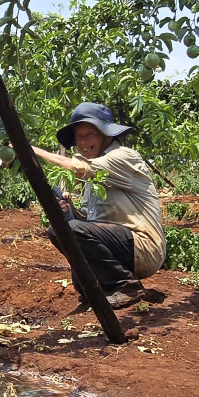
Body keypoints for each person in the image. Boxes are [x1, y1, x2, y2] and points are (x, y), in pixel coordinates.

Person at [30, 102, 165, 309]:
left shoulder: (123, 156)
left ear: (107, 135)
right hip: (119, 245)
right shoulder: (94, 178)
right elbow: (90, 222)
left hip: (142, 248)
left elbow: (80, 167)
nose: (83, 142)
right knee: (80, 278)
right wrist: (70, 209)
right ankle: (107, 287)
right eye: (79, 137)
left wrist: (31, 150)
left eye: (89, 134)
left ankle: (126, 285)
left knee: (68, 231)